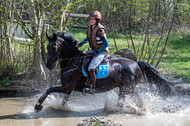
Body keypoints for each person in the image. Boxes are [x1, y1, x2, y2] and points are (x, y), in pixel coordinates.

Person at [78, 10, 109, 94]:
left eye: (93, 19)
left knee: (91, 67)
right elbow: (88, 37)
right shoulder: (90, 28)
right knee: (81, 59)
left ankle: (93, 87)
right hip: (93, 49)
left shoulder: (100, 31)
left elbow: (106, 44)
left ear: (97, 20)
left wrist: (98, 51)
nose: (91, 20)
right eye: (90, 19)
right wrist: (82, 42)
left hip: (101, 51)